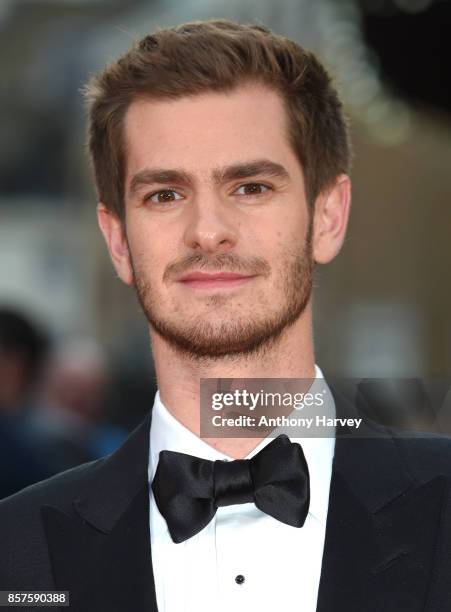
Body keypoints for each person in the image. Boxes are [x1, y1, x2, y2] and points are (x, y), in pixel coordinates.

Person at [1, 19, 450, 612]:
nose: (208, 232)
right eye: (165, 194)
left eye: (251, 187)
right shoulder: (17, 551)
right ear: (118, 241)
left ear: (328, 217)